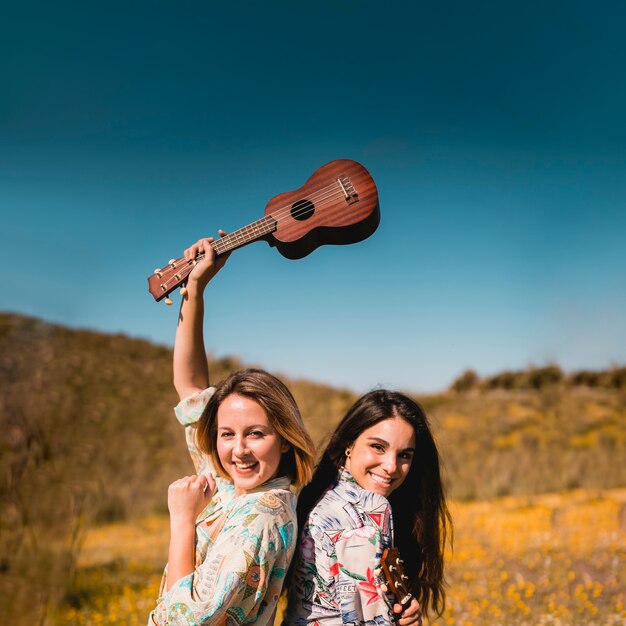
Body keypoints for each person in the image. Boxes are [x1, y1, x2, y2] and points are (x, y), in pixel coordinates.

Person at [148, 236, 316, 626]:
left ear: (286, 439)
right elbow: (190, 388)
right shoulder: (234, 487)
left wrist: (182, 519)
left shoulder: (261, 516)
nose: (238, 449)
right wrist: (195, 287)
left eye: (256, 434)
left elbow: (180, 622)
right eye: (227, 434)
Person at [283, 390, 452, 626]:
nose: (391, 467)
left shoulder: (321, 494)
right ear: (349, 445)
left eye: (404, 455)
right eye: (378, 447)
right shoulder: (369, 510)